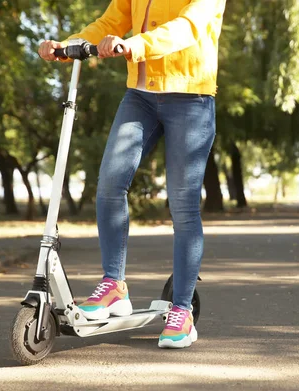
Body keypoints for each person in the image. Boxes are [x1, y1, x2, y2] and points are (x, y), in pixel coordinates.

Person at [38, 0, 227, 349]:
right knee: (110, 185)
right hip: (140, 96)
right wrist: (67, 46)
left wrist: (136, 45)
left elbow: (188, 27)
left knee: (183, 205)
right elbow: (111, 20)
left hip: (191, 97)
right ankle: (114, 286)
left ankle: (182, 311)